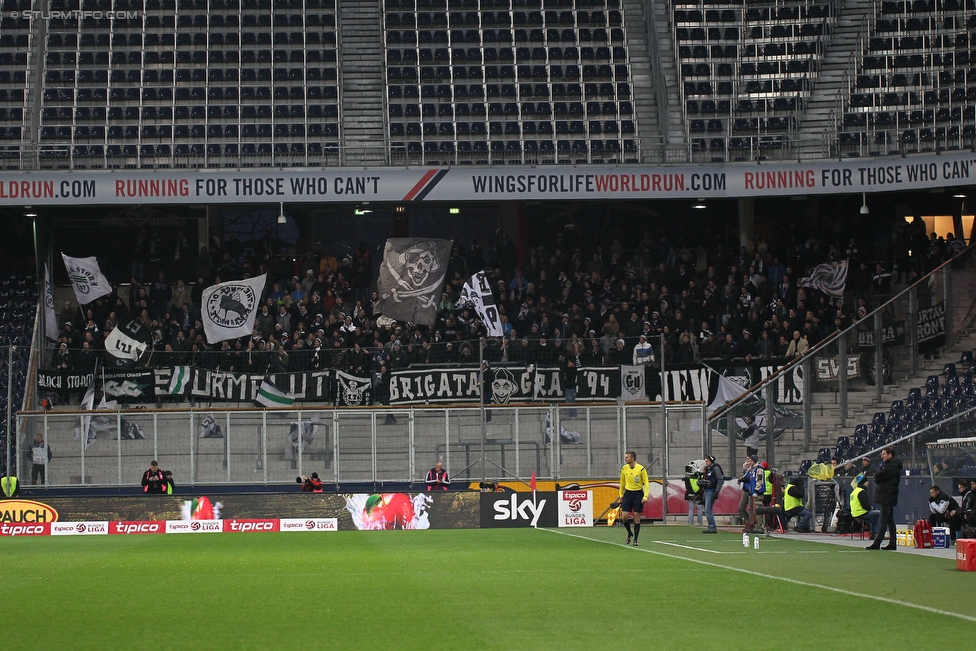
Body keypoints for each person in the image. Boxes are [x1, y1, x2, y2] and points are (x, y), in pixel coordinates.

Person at [867, 447, 902, 550]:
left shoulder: (891, 466)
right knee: (890, 521)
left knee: (883, 521)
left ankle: (877, 543)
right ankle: (892, 543)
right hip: (888, 495)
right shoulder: (891, 465)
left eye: (884, 454)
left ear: (890, 455)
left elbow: (879, 476)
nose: (882, 456)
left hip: (887, 495)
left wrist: (877, 476)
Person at [618, 451, 650, 546]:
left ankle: (636, 539)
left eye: (627, 457)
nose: (625, 459)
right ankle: (629, 533)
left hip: (638, 494)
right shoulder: (624, 468)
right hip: (628, 494)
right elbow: (622, 482)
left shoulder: (641, 469)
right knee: (624, 517)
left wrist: (645, 496)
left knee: (636, 516)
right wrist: (621, 494)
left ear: (633, 458)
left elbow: (647, 483)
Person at [699, 455, 724, 533]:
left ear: (711, 461)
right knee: (707, 510)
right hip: (707, 490)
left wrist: (716, 491)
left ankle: (712, 527)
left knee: (708, 510)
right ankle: (711, 526)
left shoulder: (715, 468)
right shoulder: (708, 469)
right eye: (705, 461)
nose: (706, 463)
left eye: (707, 461)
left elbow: (720, 479)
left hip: (711, 490)